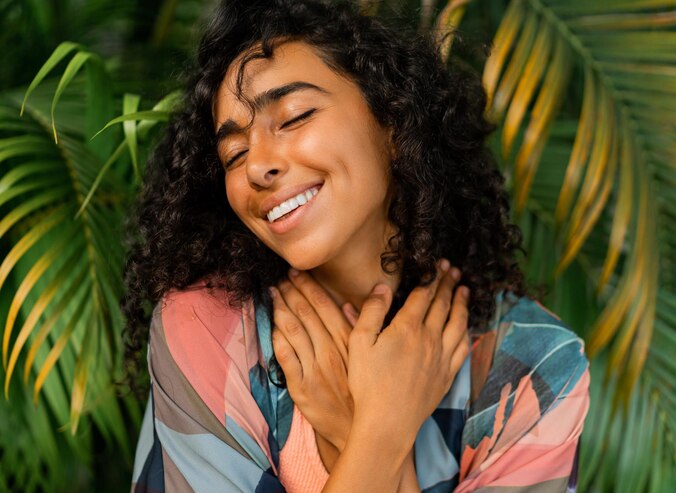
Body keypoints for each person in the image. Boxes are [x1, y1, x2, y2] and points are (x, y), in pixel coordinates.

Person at [124, 0, 591, 491]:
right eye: (234, 153)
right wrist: (381, 434)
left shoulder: (530, 366)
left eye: (294, 117)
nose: (257, 166)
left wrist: (356, 429)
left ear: (393, 122)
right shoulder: (209, 329)